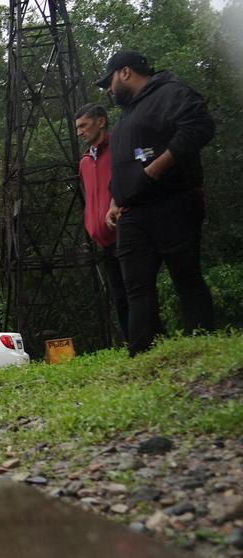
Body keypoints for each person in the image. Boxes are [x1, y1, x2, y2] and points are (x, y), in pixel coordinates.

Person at [96, 50, 216, 356]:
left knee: (185, 277)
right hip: (132, 214)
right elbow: (123, 163)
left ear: (125, 72)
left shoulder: (170, 92)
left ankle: (202, 347)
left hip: (171, 201)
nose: (108, 90)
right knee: (136, 288)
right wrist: (114, 199)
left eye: (108, 82)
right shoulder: (127, 115)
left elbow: (199, 128)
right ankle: (141, 356)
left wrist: (153, 170)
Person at [75, 103, 130, 340]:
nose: (80, 132)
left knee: (135, 291)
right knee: (119, 295)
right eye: (77, 128)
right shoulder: (85, 162)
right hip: (104, 241)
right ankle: (133, 345)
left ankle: (147, 341)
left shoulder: (119, 148)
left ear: (100, 122)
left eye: (84, 125)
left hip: (126, 231)